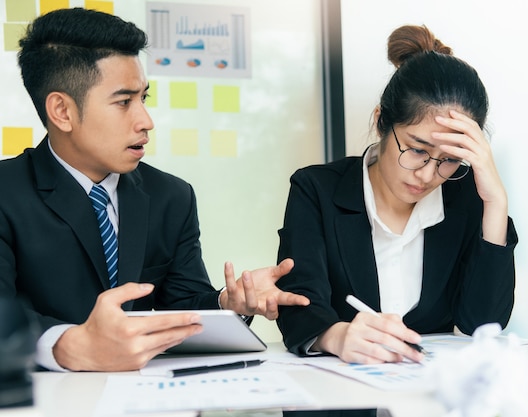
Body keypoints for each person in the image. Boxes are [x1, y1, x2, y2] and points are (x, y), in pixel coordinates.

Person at [0, 7, 309, 372]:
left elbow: (180, 308)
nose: (146, 121)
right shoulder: (7, 192)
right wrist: (67, 345)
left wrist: (228, 304)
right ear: (62, 111)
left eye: (143, 98)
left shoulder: (170, 197)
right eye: (123, 102)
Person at [275, 24, 518, 364]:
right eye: (418, 149)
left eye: (449, 159)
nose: (428, 174)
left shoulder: (463, 197)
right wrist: (338, 336)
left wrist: (495, 203)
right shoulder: (317, 189)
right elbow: (298, 305)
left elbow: (484, 323)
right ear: (380, 123)